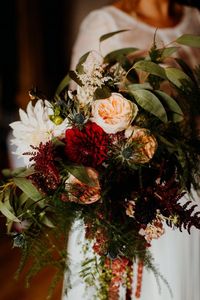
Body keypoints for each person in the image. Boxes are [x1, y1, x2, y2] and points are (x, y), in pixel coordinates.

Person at [62, 1, 200, 300]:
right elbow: (80, 115)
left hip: (187, 191)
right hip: (123, 194)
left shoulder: (195, 20)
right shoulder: (104, 23)